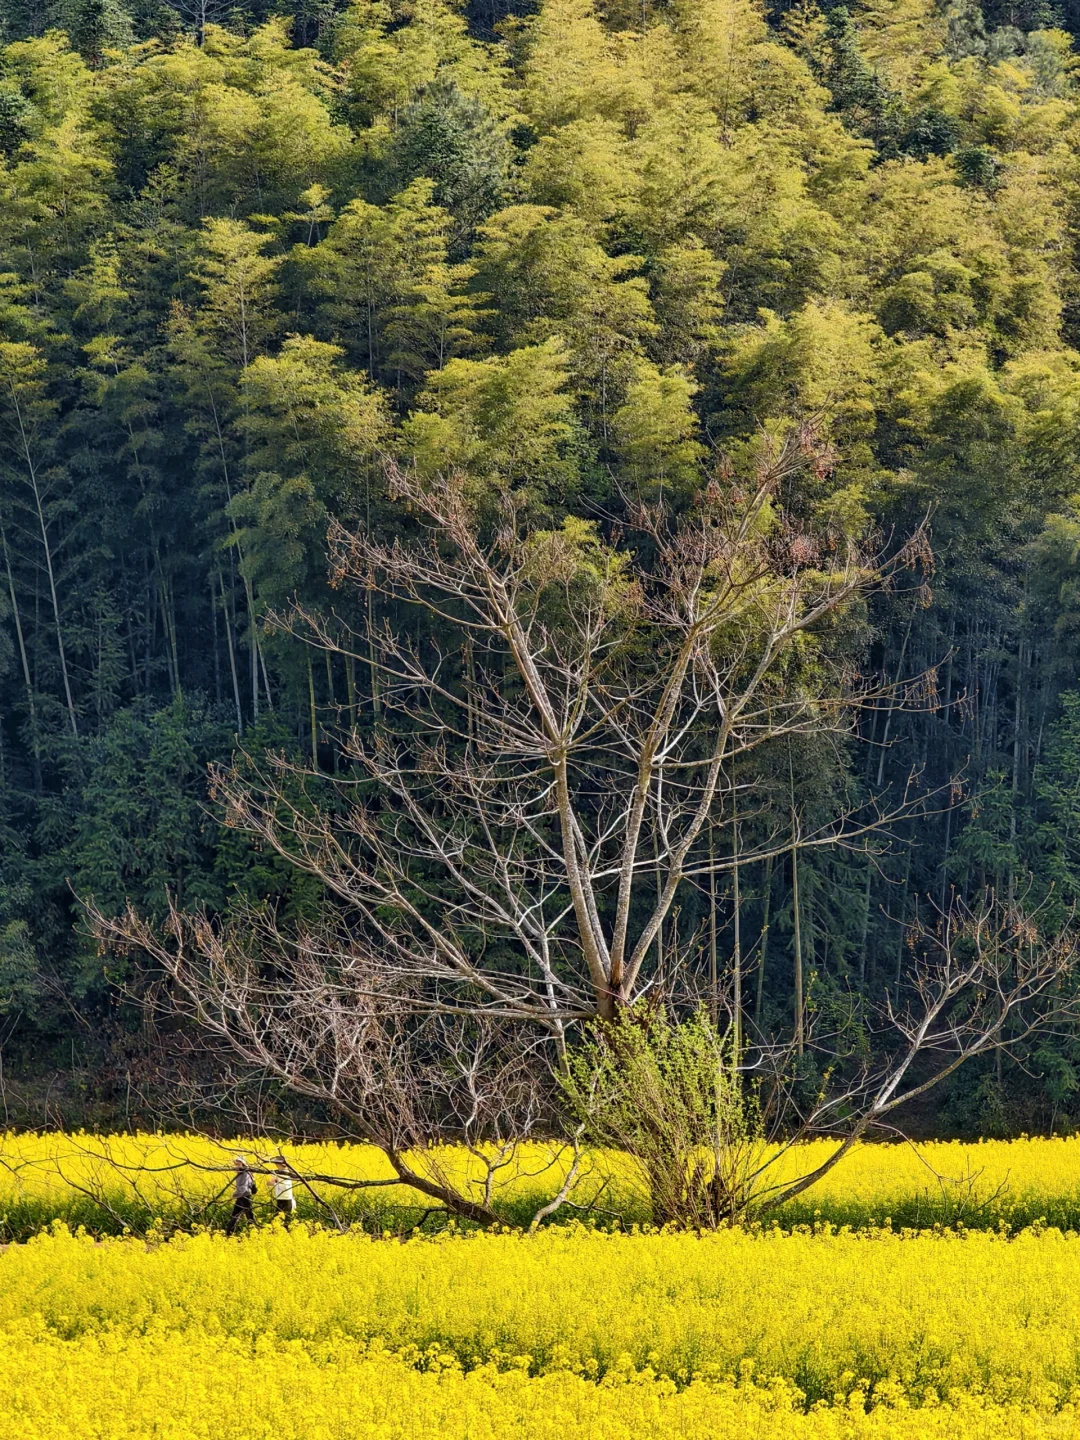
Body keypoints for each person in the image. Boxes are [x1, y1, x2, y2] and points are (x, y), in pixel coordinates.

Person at [225, 1156, 257, 1235]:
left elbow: (244, 1187)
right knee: (236, 1214)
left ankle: (254, 1232)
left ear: (243, 1164)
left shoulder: (245, 1173)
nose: (236, 1166)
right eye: (235, 1164)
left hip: (245, 1196)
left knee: (248, 1215)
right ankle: (230, 1232)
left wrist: (235, 1194)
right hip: (241, 1196)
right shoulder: (241, 1172)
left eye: (238, 1164)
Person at [271, 1156, 296, 1224]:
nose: (275, 1164)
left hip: (285, 1198)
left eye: (276, 1163)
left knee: (282, 1219)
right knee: (282, 1219)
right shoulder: (287, 1172)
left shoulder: (285, 1172)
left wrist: (275, 1181)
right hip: (283, 1198)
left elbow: (270, 1183)